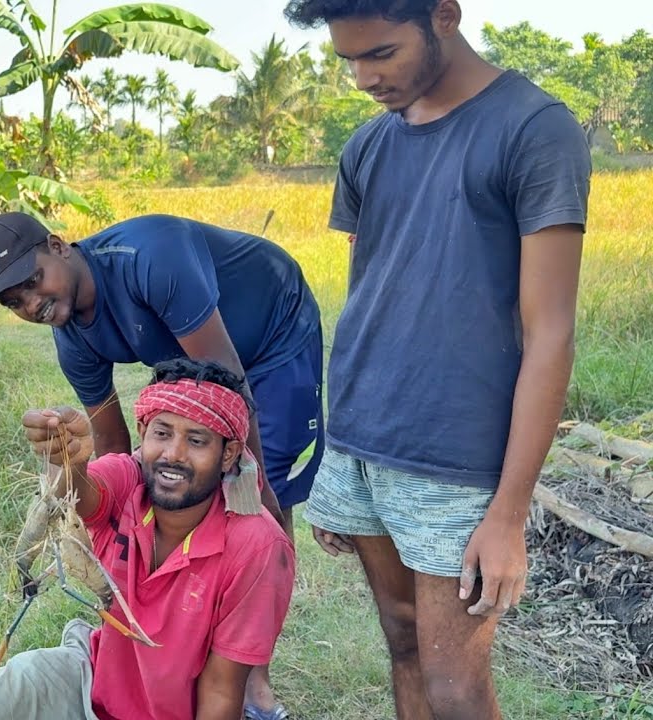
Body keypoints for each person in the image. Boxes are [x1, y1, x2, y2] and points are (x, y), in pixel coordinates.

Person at [282, 1, 592, 718]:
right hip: (363, 439)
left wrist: (508, 513)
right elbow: (373, 301)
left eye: (382, 54)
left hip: (455, 454)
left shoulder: (534, 130)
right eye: (348, 60)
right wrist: (341, 457)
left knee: (455, 683)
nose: (363, 77)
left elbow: (551, 332)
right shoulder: (367, 146)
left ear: (444, 16)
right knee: (401, 641)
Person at [0, 212, 323, 718]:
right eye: (14, 302)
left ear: (58, 246)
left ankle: (252, 679)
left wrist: (257, 489)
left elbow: (227, 383)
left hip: (269, 337)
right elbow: (113, 449)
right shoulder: (72, 337)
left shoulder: (149, 258)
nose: (32, 304)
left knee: (257, 505)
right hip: (202, 358)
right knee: (175, 477)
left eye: (32, 281)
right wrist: (94, 504)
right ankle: (184, 633)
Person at [0, 358, 296, 720]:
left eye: (197, 440)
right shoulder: (128, 478)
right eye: (162, 433)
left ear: (228, 453)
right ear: (143, 432)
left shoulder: (258, 546)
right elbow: (80, 492)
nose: (173, 455)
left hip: (174, 711)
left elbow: (220, 692)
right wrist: (68, 458)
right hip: (94, 676)